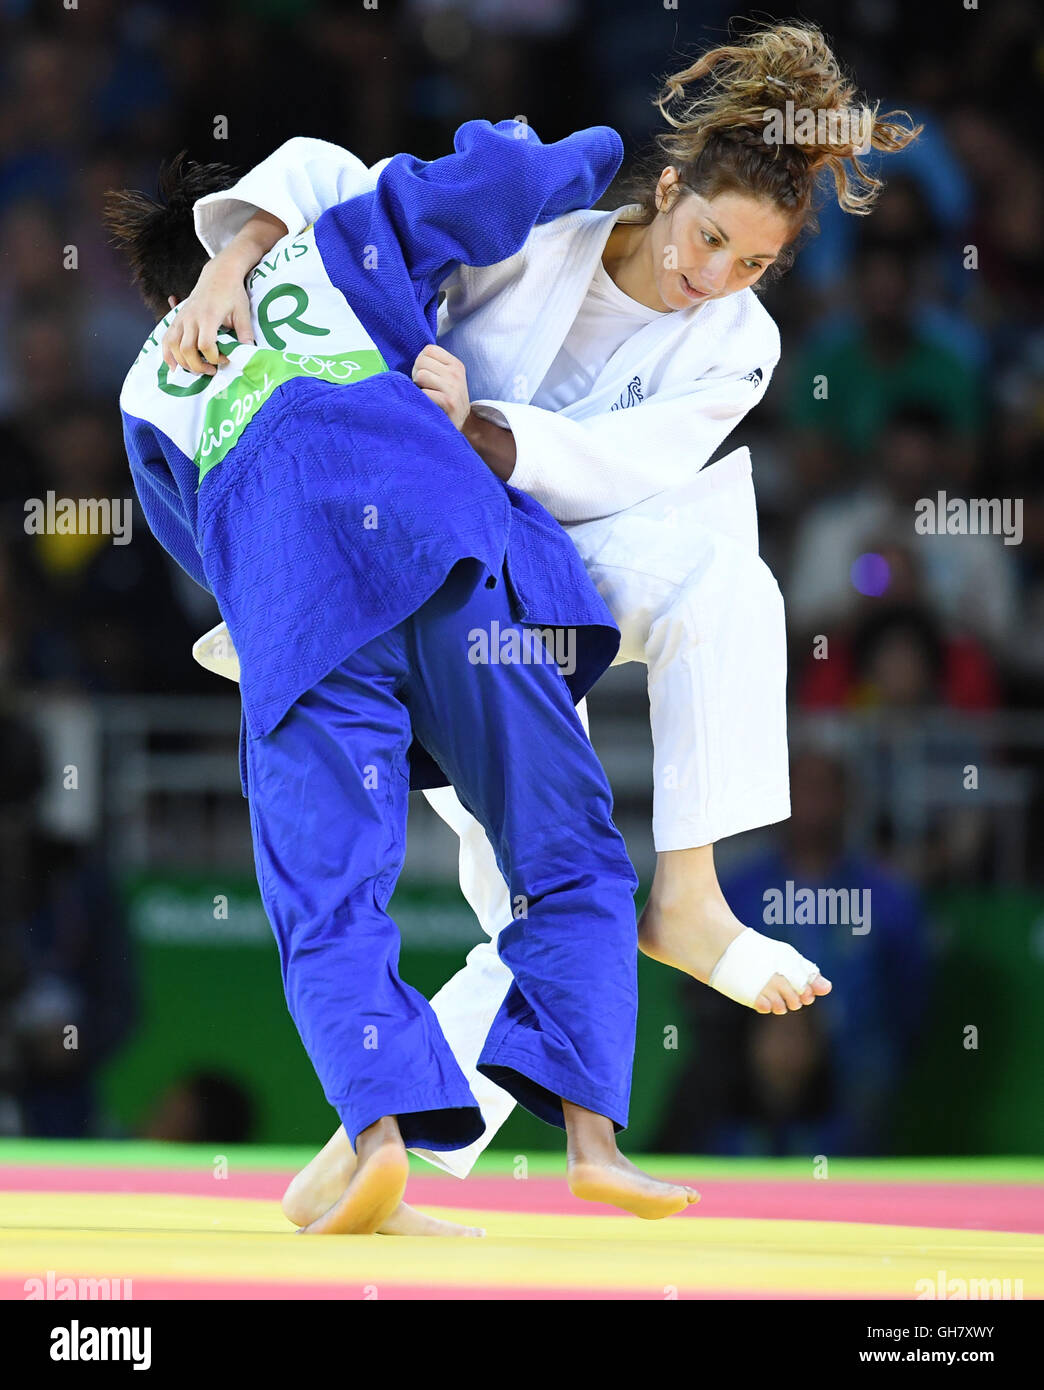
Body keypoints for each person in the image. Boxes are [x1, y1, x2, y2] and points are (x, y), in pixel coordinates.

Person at [167, 20, 919, 1208]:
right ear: (666, 192)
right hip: (413, 554)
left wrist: (487, 430)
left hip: (560, 545)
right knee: (518, 905)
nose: (714, 277)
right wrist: (227, 266)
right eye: (708, 238)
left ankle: (690, 889)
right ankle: (381, 1157)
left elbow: (630, 466)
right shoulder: (536, 220)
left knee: (729, 573)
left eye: (752, 265)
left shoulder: (743, 345)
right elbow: (339, 188)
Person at [107, 120, 700, 1233]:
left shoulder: (146, 390)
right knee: (564, 847)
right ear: (255, 217)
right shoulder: (331, 236)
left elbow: (199, 550)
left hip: (295, 618)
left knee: (327, 900)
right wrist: (587, 146)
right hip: (444, 556)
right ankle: (594, 1144)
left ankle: (379, 1139)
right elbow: (498, 178)